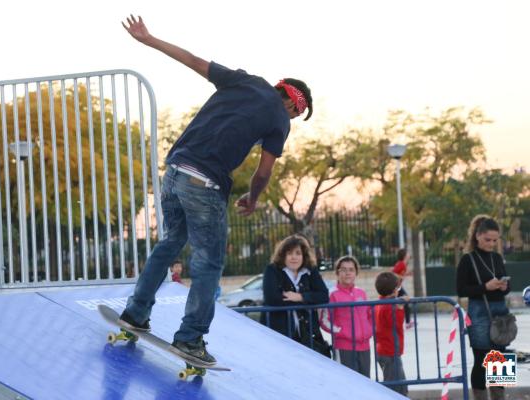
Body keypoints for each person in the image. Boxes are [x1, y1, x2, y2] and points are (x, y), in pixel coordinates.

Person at [118, 15, 313, 366]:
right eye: (297, 116)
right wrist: (252, 199)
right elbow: (263, 171)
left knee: (170, 243)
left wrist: (149, 39)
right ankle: (190, 338)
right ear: (292, 104)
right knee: (208, 262)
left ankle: (135, 312)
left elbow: (193, 60)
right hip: (205, 182)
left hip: (174, 170)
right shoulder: (279, 118)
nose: (292, 122)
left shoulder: (243, 80)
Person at [456, 215, 510, 400]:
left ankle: (499, 397)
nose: (491, 244)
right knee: (481, 360)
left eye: (495, 240)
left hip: (500, 311)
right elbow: (461, 290)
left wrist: (504, 286)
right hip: (479, 312)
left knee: (499, 358)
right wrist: (485, 287)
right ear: (477, 235)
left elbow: (506, 287)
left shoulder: (497, 258)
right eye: (488, 240)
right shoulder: (468, 259)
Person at [261, 235, 331, 357]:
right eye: (289, 253)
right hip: (279, 333)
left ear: (304, 256)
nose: (294, 257)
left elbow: (323, 296)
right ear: (283, 256)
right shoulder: (272, 270)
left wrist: (300, 297)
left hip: (308, 334)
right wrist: (309, 300)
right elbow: (272, 299)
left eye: (298, 253)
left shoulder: (310, 271)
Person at [319, 256, 372, 376]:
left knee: (366, 384)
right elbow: (324, 320)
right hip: (344, 347)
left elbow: (369, 315)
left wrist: (370, 330)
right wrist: (341, 332)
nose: (347, 273)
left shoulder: (361, 293)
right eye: (343, 270)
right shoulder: (332, 294)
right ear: (337, 273)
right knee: (348, 383)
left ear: (356, 273)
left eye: (351, 270)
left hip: (365, 347)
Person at [374, 271, 408, 396]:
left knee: (397, 384)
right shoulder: (388, 306)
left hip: (385, 350)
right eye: (398, 287)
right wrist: (400, 308)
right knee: (396, 388)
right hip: (390, 352)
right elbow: (397, 323)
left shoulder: (379, 303)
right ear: (394, 290)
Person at [392, 248, 414, 329]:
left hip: (398, 287)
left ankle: (407, 321)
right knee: (405, 300)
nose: (409, 254)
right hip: (395, 287)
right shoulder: (401, 264)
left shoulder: (403, 264)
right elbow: (392, 273)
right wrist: (402, 276)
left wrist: (407, 274)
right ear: (405, 255)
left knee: (404, 301)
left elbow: (399, 274)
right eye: (408, 253)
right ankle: (407, 322)